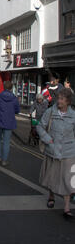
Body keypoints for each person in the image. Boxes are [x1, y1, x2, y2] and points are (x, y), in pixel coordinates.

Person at [37, 88, 75, 219]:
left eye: (62, 99)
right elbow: (40, 126)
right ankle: (51, 196)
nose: (59, 101)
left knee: (68, 180)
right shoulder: (50, 112)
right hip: (52, 150)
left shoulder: (73, 115)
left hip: (68, 152)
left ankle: (66, 207)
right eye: (58, 98)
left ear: (68, 101)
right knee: (52, 176)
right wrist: (47, 139)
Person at [0, 80, 20, 166]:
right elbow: (17, 110)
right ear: (11, 88)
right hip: (9, 122)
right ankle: (4, 160)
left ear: (4, 87)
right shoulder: (14, 99)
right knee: (7, 142)